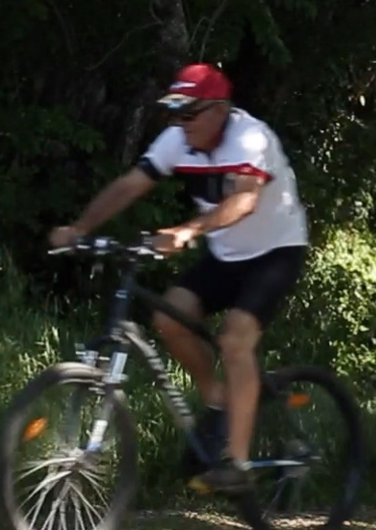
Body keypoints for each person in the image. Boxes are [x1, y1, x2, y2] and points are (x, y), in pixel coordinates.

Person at [47, 63, 310, 495]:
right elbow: (130, 185)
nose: (179, 122)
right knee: (170, 318)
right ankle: (218, 399)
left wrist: (188, 230)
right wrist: (81, 228)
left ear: (220, 109)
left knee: (235, 340)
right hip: (226, 254)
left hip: (276, 253)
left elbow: (243, 200)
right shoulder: (178, 140)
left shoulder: (251, 137)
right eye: (174, 112)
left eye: (189, 112)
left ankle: (237, 463)